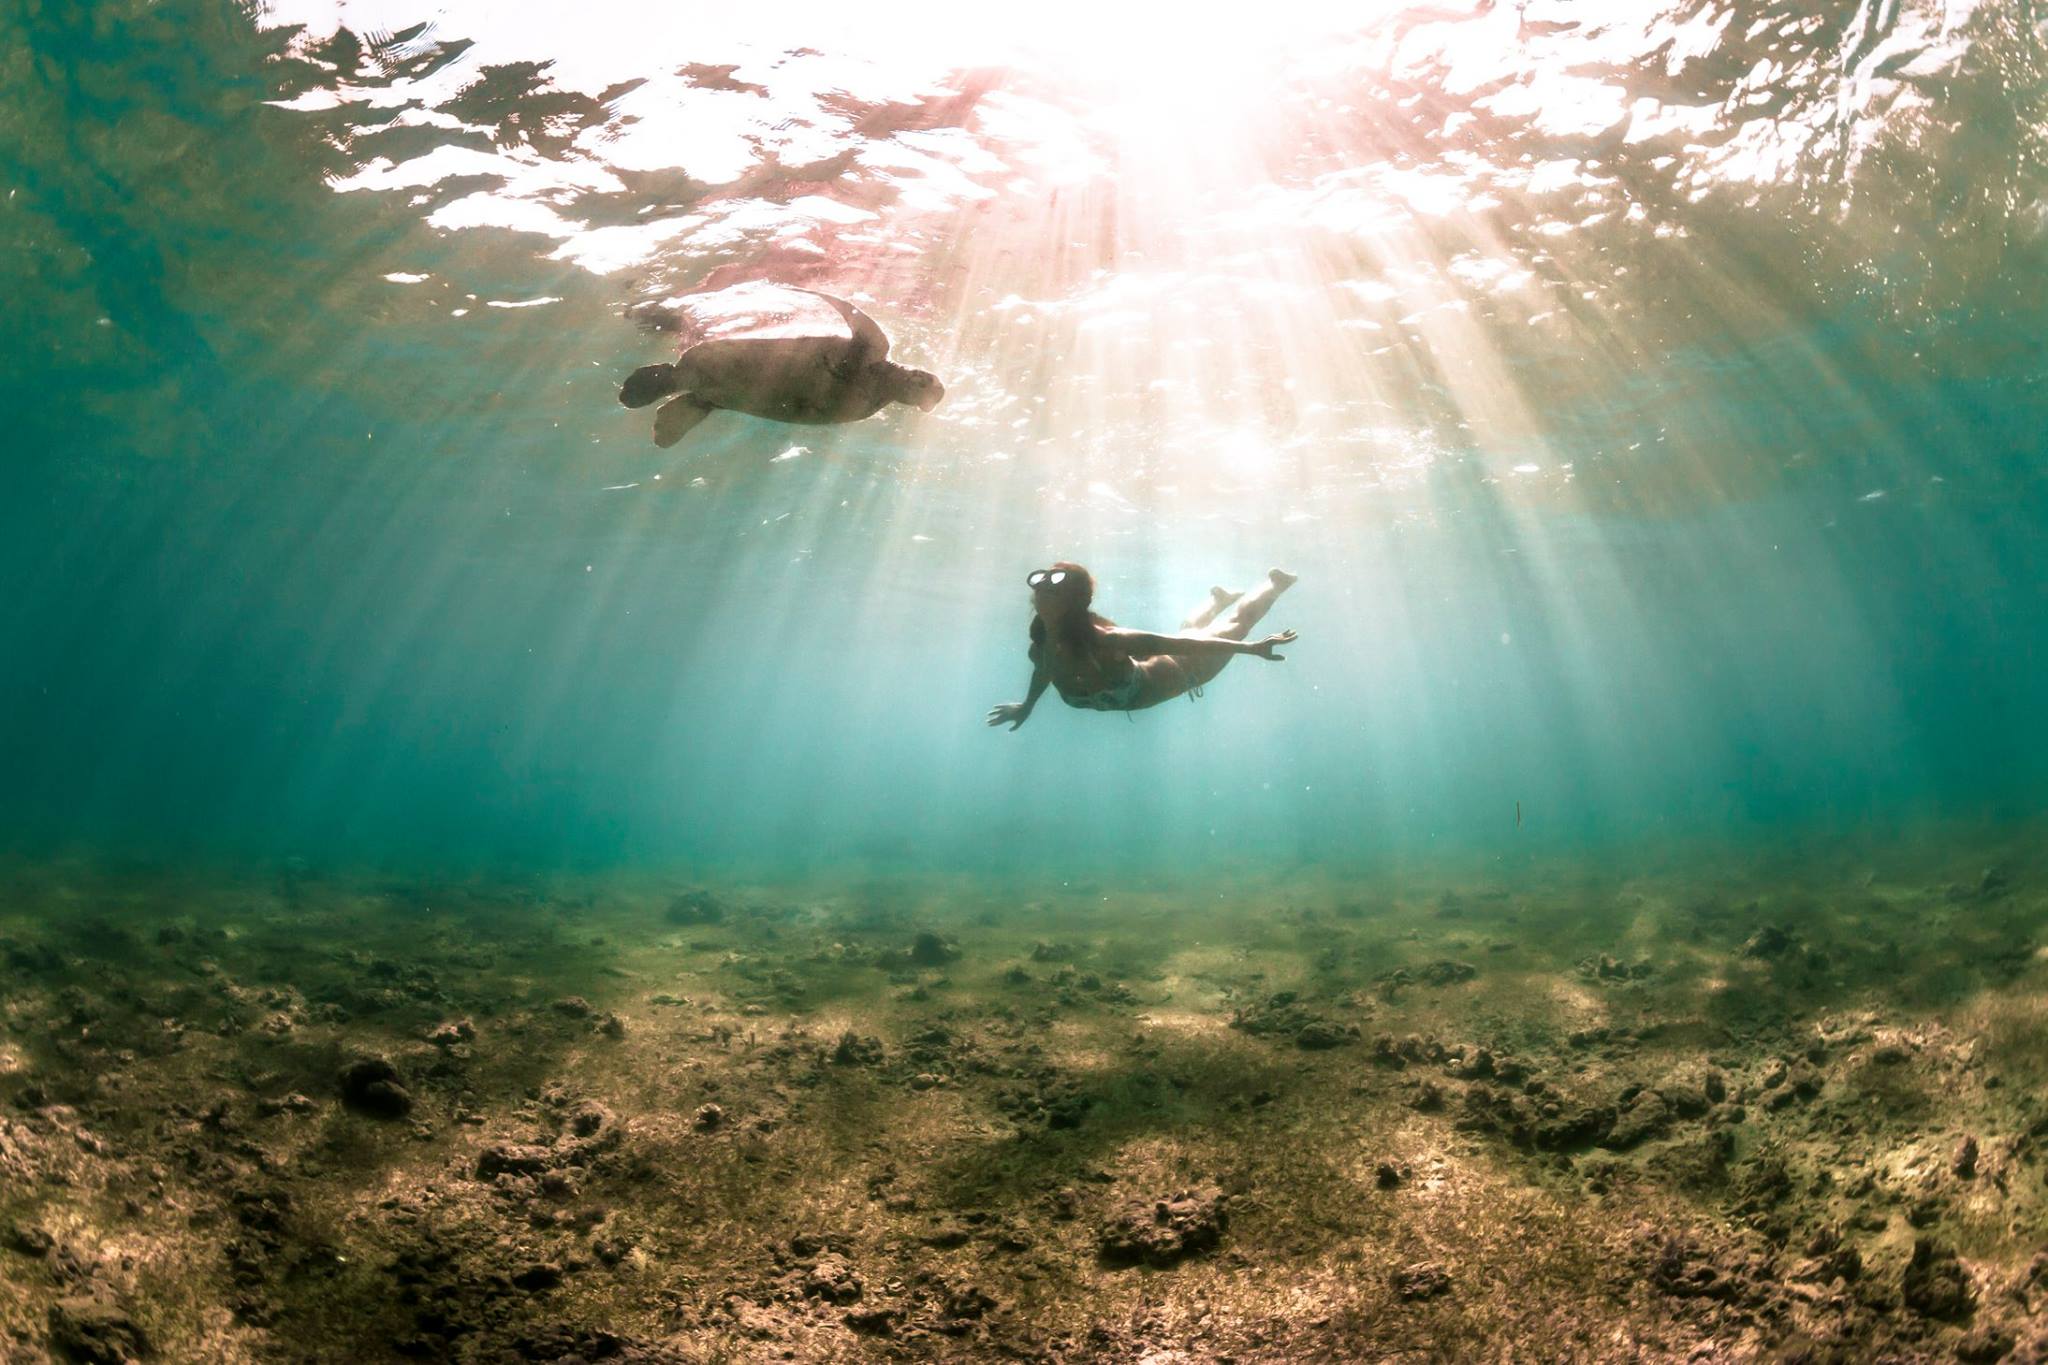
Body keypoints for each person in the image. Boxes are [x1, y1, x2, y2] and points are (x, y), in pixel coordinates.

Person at [986, 564, 1298, 728]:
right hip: (1157, 664)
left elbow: (1177, 645)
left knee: (1235, 628)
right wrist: (1027, 706)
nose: (1041, 592)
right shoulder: (1040, 646)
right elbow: (1045, 670)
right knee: (1192, 629)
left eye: (1052, 590)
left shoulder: (1106, 640)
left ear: (1074, 601)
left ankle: (1277, 583)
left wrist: (1252, 648)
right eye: (1039, 587)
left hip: (1183, 670)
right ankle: (1218, 600)